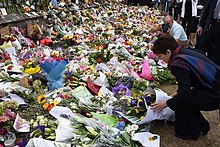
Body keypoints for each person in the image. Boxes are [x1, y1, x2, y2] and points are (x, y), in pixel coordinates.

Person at [151, 35, 220, 140]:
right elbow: (190, 80)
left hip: (214, 93)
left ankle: (191, 132)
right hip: (213, 86)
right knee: (183, 99)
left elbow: (185, 95)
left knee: (181, 103)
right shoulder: (184, 52)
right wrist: (177, 93)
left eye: (160, 56)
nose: (161, 60)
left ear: (168, 52)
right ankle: (202, 125)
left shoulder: (178, 63)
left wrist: (165, 103)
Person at [197, 0, 220, 66]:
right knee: (202, 46)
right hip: (210, 24)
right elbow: (206, 10)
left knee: (216, 51)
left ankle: (213, 68)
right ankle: (198, 64)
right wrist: (201, 25)